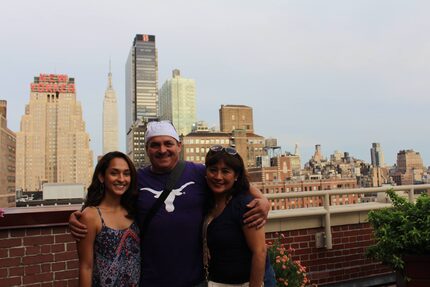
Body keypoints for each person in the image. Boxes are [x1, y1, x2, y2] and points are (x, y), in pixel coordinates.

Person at [70, 121, 270, 287]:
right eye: (155, 145)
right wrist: (78, 216)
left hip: (195, 279)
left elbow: (236, 182)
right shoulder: (136, 180)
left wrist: (264, 200)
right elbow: (108, 201)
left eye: (168, 143)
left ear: (179, 146)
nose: (162, 150)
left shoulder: (199, 172)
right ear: (147, 149)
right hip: (151, 279)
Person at [203, 145, 267, 287]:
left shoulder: (245, 205)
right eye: (213, 170)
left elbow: (260, 251)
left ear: (236, 175)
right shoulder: (207, 201)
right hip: (215, 280)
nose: (218, 177)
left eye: (225, 171)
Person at [77, 151, 140, 287]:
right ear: (101, 176)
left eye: (126, 173)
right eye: (114, 173)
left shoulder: (135, 210)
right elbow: (85, 267)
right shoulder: (91, 216)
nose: (121, 179)